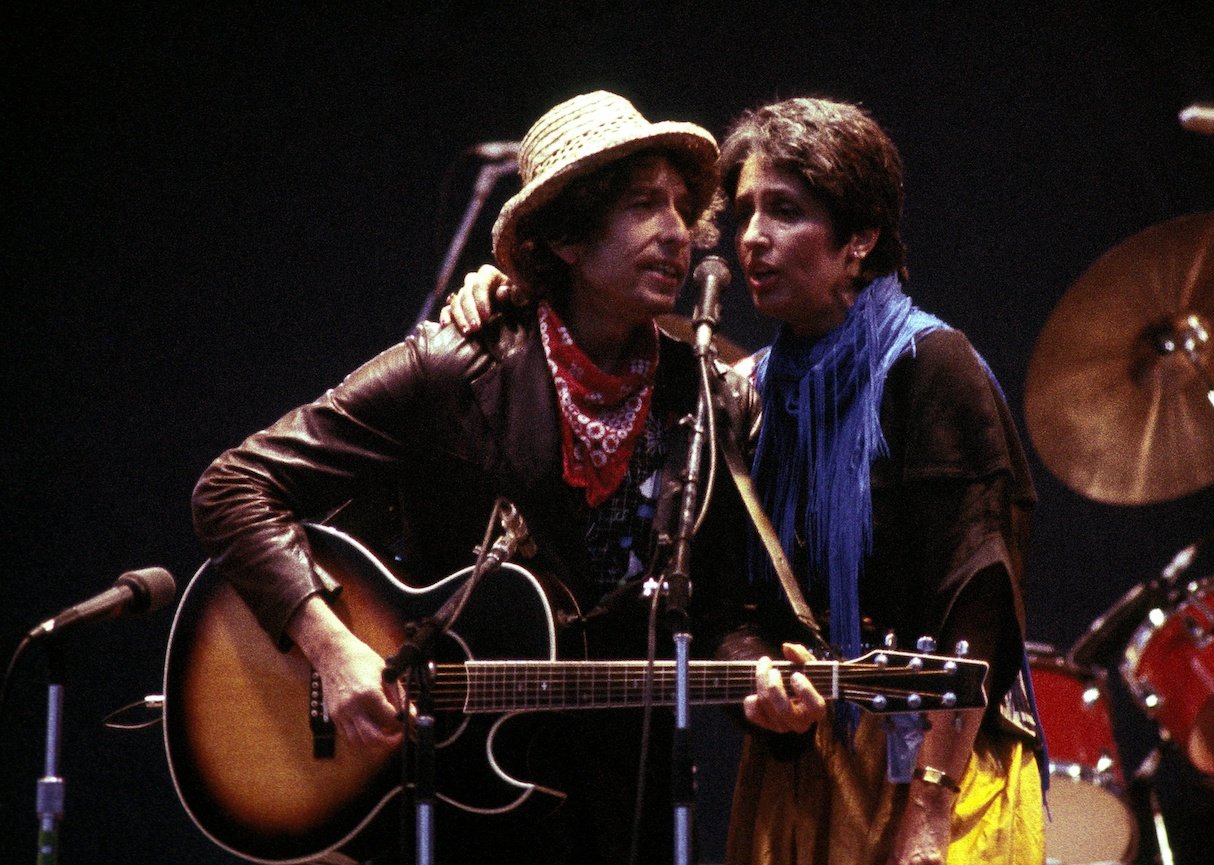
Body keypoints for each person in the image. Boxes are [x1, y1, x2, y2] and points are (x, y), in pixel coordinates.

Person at [443, 95, 1045, 865]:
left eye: (786, 212)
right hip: (806, 773)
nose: (752, 238)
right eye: (747, 211)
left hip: (945, 775)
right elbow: (729, 600)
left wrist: (928, 809)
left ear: (859, 238)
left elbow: (979, 595)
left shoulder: (932, 367)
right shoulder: (741, 390)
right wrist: (756, 676)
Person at [191, 89, 760, 865]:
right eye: (640, 206)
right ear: (565, 236)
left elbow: (723, 608)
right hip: (453, 801)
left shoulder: (703, 392)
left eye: (679, 207)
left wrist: (764, 679)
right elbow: (232, 488)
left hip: (624, 807)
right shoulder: (457, 365)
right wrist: (330, 645)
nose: (676, 233)